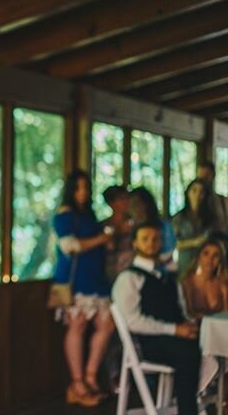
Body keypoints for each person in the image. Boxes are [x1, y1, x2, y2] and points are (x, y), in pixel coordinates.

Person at [112, 220, 201, 415]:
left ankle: (212, 398)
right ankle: (189, 410)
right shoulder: (129, 278)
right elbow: (133, 321)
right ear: (135, 244)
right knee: (188, 352)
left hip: (178, 336)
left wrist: (190, 324)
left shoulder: (169, 277)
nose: (151, 243)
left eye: (156, 239)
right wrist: (175, 330)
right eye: (145, 239)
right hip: (150, 344)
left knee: (212, 343)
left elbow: (181, 311)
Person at [52, 170, 115, 407]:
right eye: (78, 188)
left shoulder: (88, 215)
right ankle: (77, 383)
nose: (83, 193)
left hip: (95, 278)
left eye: (86, 188)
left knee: (106, 324)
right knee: (77, 325)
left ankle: (89, 376)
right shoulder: (64, 215)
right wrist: (101, 239)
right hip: (73, 280)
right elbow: (70, 246)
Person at [128, 186, 177, 273]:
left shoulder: (163, 226)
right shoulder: (130, 227)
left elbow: (168, 252)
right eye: (131, 205)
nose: (134, 208)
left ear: (146, 204)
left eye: (137, 204)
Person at [172, 179, 215, 275]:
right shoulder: (178, 218)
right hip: (185, 263)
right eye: (194, 190)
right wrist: (195, 242)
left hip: (205, 265)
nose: (198, 194)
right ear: (188, 193)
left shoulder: (209, 218)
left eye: (201, 192)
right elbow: (174, 243)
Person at [181, 239, 228, 319]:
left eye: (215, 255)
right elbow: (187, 313)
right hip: (194, 328)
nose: (210, 259)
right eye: (206, 254)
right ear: (199, 256)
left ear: (220, 260)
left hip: (218, 328)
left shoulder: (222, 284)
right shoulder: (188, 283)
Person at [101, 185, 133, 282]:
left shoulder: (136, 224)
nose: (126, 202)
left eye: (127, 198)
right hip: (109, 275)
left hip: (131, 275)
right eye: (121, 199)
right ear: (111, 203)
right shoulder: (104, 226)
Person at [198, 161, 228, 235]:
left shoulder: (222, 201)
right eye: (200, 176)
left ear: (213, 176)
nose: (203, 179)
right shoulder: (194, 201)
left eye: (206, 176)